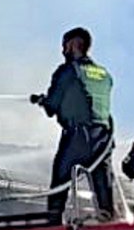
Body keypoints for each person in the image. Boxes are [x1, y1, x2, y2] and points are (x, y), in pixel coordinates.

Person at [30, 27, 116, 219]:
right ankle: (109, 220)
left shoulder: (67, 71)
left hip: (78, 136)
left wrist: (42, 101)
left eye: (64, 46)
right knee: (103, 186)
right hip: (104, 138)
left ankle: (52, 222)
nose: (63, 51)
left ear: (72, 45)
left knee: (60, 181)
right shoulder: (105, 74)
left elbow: (52, 106)